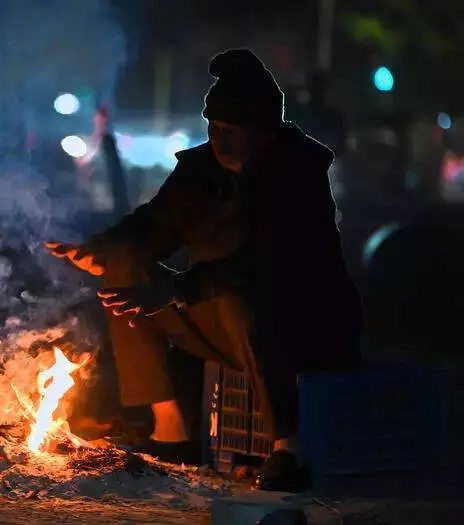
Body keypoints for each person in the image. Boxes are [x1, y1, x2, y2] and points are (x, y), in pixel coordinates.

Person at [47, 49, 362, 490]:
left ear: (263, 133)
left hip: (302, 323)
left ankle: (288, 448)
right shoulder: (201, 170)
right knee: (124, 269)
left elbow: (266, 262)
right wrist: (99, 251)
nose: (219, 140)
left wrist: (177, 289)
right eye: (213, 128)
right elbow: (155, 223)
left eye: (230, 131)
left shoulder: (297, 172)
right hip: (218, 314)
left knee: (241, 293)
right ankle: (168, 428)